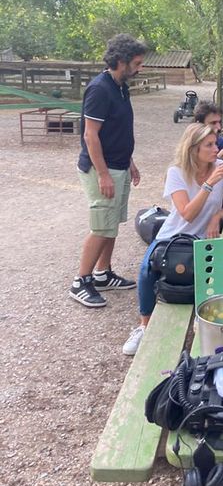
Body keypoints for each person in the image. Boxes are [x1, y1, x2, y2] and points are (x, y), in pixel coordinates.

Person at [122, 123, 223, 355]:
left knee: (218, 275)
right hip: (172, 236)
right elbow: (187, 213)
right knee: (146, 270)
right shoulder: (177, 172)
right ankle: (144, 326)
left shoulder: (221, 169)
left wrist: (218, 215)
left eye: (216, 143)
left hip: (203, 238)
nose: (217, 148)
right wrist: (209, 183)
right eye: (210, 145)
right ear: (194, 149)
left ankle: (208, 326)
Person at [69, 34, 147, 308]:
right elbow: (91, 136)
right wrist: (102, 173)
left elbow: (118, 130)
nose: (140, 68)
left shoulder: (121, 87)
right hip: (100, 169)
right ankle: (81, 281)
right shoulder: (100, 89)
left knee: (112, 223)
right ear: (121, 61)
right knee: (101, 225)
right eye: (136, 63)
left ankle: (103, 274)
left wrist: (129, 161)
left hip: (119, 164)